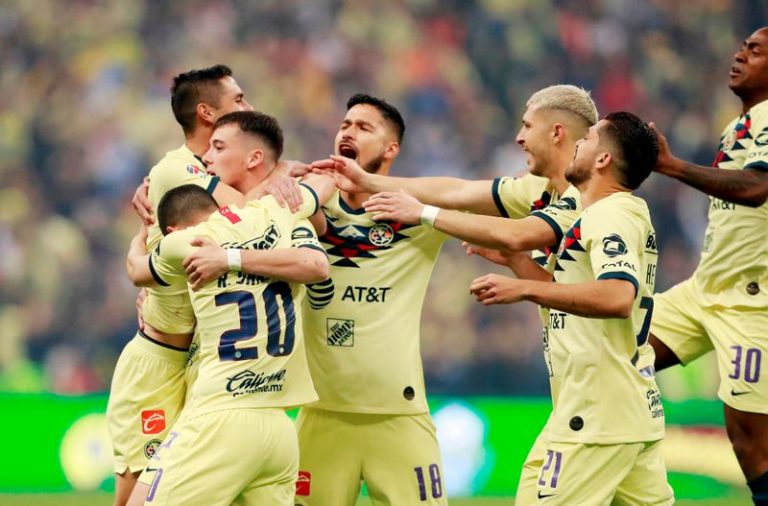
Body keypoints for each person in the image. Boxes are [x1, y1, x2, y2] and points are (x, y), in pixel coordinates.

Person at [126, 111, 333, 505]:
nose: (207, 157)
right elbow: (317, 259)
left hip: (221, 416)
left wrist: (143, 235)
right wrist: (288, 175)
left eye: (218, 148)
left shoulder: (192, 240)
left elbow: (138, 271)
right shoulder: (287, 214)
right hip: (277, 426)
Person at [469, 112, 673, 504]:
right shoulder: (614, 213)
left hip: (595, 415)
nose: (578, 143)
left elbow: (616, 297)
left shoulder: (608, 214)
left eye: (590, 138)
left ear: (603, 160)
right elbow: (572, 292)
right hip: (622, 410)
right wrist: (517, 262)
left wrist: (524, 288)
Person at [107, 64, 254, 505]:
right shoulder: (174, 171)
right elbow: (254, 208)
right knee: (136, 497)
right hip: (159, 364)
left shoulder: (213, 172)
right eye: (239, 100)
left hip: (201, 362)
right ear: (207, 113)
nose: (248, 106)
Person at [648, 27, 768, 505]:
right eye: (742, 45)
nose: (740, 53)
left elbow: (758, 188)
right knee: (620, 352)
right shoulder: (738, 124)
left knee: (750, 445)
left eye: (756, 51)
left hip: (751, 301)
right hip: (704, 290)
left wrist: (672, 166)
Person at [310, 85, 597, 266]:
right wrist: (368, 180)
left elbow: (516, 236)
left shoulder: (589, 196)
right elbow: (457, 191)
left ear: (556, 132)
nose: (519, 138)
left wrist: (423, 212)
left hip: (619, 363)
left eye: (527, 126)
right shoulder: (535, 188)